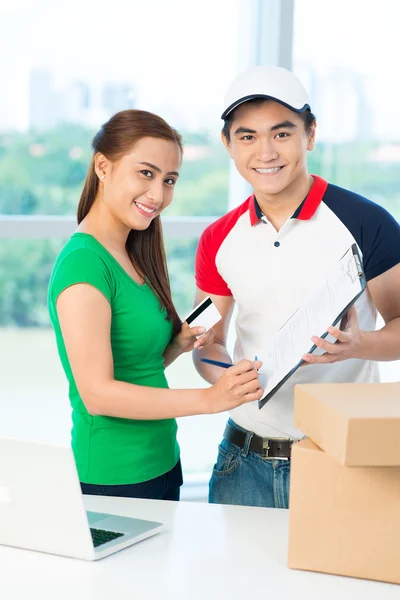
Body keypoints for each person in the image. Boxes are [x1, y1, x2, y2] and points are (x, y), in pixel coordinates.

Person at [193, 66, 400, 508]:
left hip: (341, 460)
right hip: (241, 462)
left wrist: (361, 344)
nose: (265, 152)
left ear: (310, 134)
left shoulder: (367, 223)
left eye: (281, 134)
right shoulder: (216, 238)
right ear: (228, 144)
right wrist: (224, 376)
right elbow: (205, 340)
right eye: (247, 136)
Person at [48, 109, 263, 502]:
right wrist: (209, 400)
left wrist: (175, 346)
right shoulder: (84, 264)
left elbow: (134, 369)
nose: (158, 195)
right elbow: (97, 394)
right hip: (113, 475)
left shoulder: (130, 250)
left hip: (161, 462)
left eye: (169, 180)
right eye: (145, 174)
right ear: (103, 166)